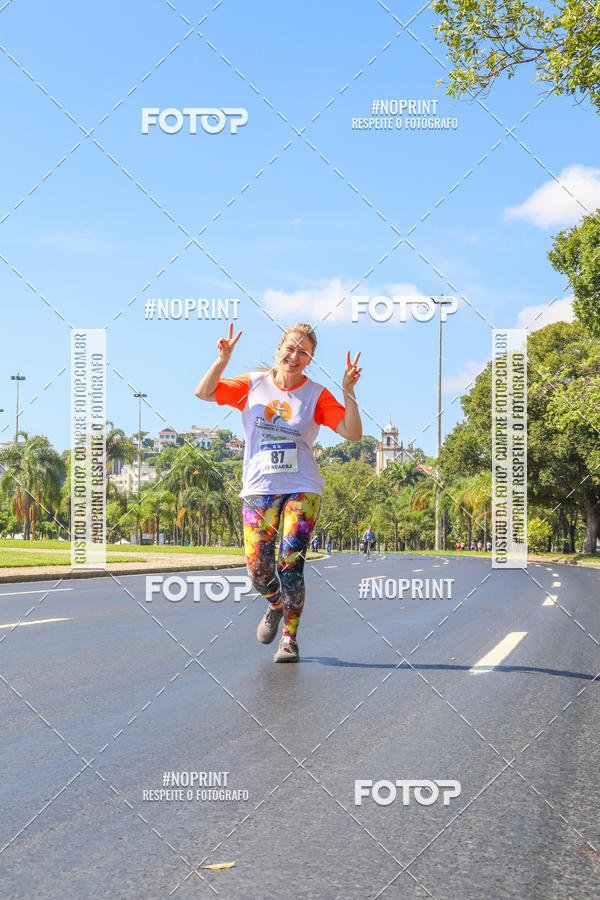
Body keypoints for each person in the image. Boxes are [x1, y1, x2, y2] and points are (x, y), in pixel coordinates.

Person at [195, 322, 362, 663]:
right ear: (279, 348)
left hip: (302, 487)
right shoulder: (252, 385)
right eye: (291, 347)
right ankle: (274, 602)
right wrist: (222, 360)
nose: (295, 356)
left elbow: (352, 434)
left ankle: (289, 638)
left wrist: (348, 391)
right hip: (260, 487)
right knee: (257, 568)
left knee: (290, 565)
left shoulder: (316, 394)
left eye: (304, 352)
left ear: (310, 360)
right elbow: (204, 393)